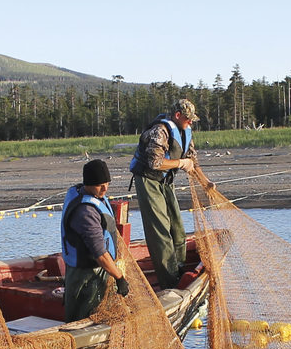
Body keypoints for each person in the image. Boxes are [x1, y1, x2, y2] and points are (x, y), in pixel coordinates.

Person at [128, 98, 198, 289]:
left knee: (178, 229)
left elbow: (192, 161)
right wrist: (181, 164)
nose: (190, 122)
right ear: (177, 116)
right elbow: (155, 163)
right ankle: (169, 282)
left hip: (166, 181)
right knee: (160, 231)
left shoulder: (185, 132)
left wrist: (206, 182)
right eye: (188, 119)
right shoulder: (160, 131)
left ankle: (179, 267)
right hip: (148, 180)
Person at [61, 159, 130, 322]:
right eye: (100, 185)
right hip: (86, 276)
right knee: (84, 317)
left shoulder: (87, 194)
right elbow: (99, 253)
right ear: (88, 184)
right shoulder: (86, 213)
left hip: (98, 269)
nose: (105, 188)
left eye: (107, 183)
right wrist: (119, 278)